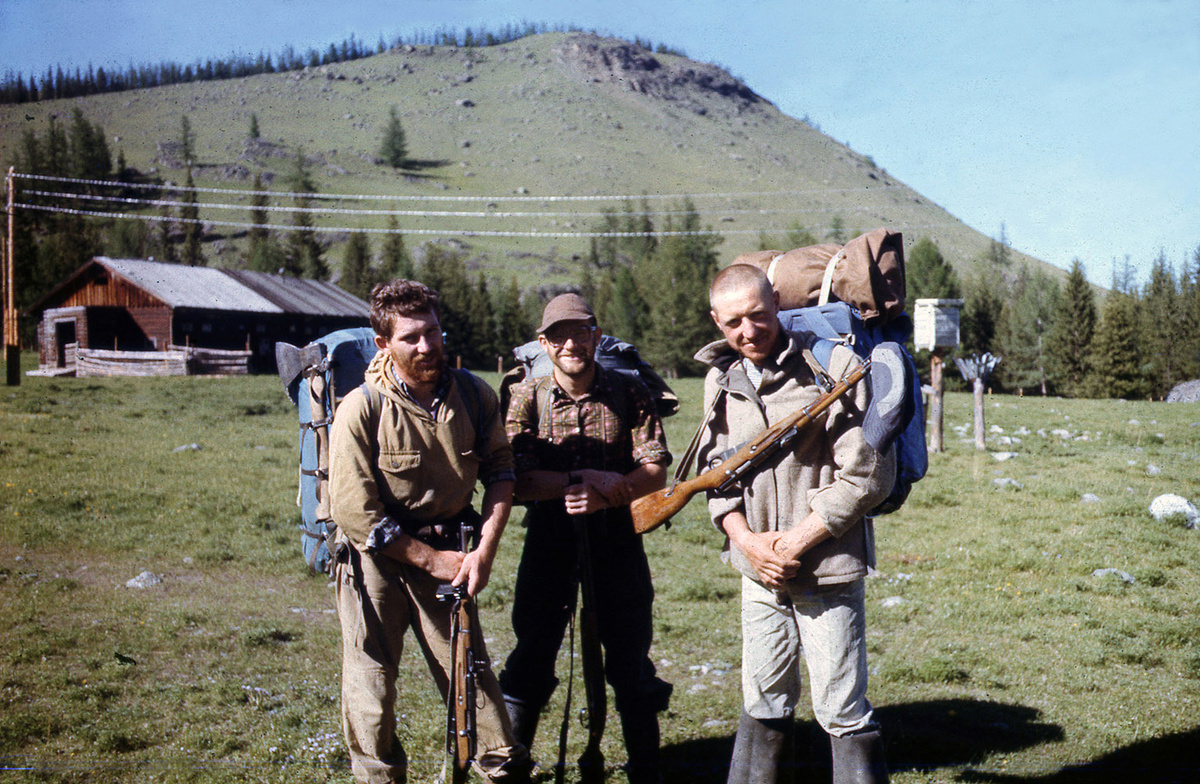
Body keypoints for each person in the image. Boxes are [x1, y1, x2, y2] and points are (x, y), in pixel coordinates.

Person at [695, 265, 896, 784]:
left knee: (843, 711)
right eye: (734, 321)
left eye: (759, 316)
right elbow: (714, 475)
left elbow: (870, 474)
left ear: (778, 304)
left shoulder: (834, 366)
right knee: (762, 701)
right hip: (758, 573)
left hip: (826, 570)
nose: (748, 331)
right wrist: (745, 542)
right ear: (717, 322)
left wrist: (795, 542)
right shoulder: (721, 379)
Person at [329, 279, 530, 784]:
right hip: (376, 562)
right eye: (411, 337)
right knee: (371, 688)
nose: (427, 346)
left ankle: (501, 771)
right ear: (384, 345)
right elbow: (356, 514)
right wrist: (431, 559)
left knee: (472, 681)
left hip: (453, 554)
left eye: (433, 332)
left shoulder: (474, 394)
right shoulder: (361, 408)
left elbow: (502, 471)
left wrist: (484, 550)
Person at [497, 293, 674, 784]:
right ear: (543, 343)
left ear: (596, 335)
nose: (571, 343)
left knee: (629, 657)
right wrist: (581, 482)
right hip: (549, 538)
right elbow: (514, 478)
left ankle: (646, 769)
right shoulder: (525, 397)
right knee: (532, 651)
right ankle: (510, 767)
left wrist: (608, 497)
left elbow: (655, 470)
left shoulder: (629, 390)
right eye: (559, 335)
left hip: (617, 538)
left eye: (580, 332)